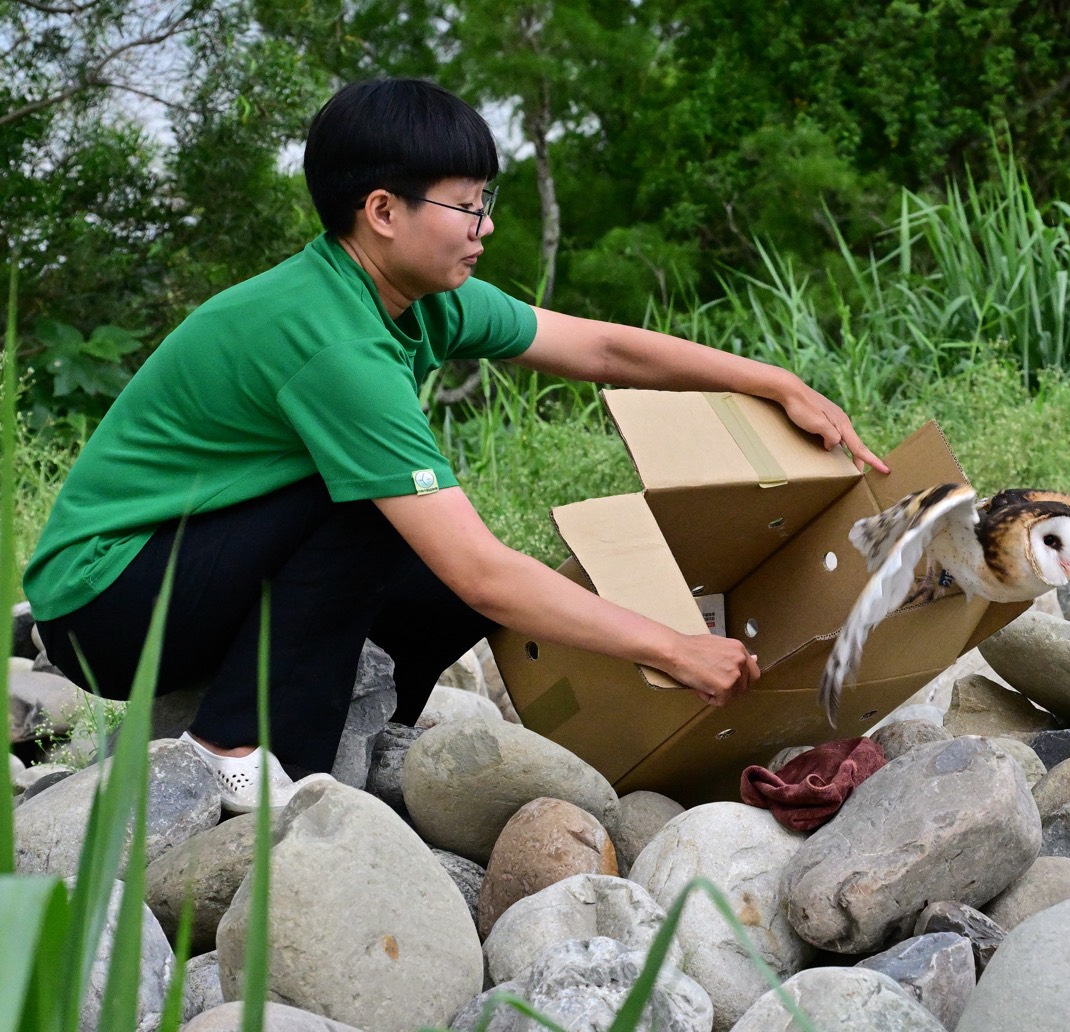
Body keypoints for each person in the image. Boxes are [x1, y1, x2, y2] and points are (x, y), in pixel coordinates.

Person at [23, 77, 887, 813]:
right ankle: (235, 748)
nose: (485, 227)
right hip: (106, 603)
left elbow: (599, 348)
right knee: (386, 514)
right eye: (467, 206)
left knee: (436, 566)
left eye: (486, 204)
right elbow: (483, 570)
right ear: (382, 211)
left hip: (194, 562)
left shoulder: (422, 298)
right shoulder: (334, 344)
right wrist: (673, 647)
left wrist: (771, 380)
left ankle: (373, 729)